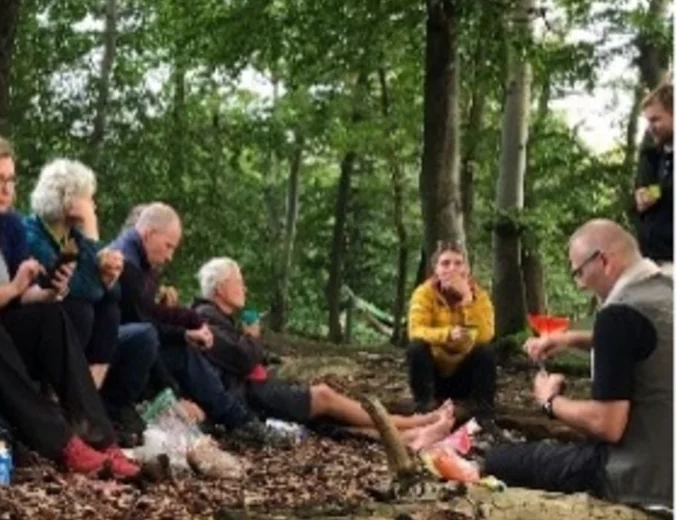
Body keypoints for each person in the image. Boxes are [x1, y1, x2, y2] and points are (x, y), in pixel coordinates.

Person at [0, 136, 140, 479]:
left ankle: (102, 439)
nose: (7, 189)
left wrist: (51, 290)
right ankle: (64, 445)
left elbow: (24, 295)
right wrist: (12, 288)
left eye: (12, 180)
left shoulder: (8, 225)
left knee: (50, 314)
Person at [485, 220, 672, 510]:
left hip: (643, 479)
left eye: (579, 272)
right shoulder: (664, 293)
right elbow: (643, 342)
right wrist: (572, 339)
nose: (580, 283)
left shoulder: (619, 314)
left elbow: (606, 424)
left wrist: (550, 401)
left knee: (498, 460)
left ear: (604, 261)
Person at [192, 257, 456, 451]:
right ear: (220, 289)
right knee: (324, 397)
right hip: (247, 397)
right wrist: (251, 335)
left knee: (326, 420)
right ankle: (413, 422)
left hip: (251, 392)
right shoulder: (206, 320)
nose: (245, 289)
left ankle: (412, 435)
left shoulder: (217, 319)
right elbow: (243, 359)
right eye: (239, 282)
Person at [110, 203, 278, 447]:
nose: (169, 256)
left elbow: (152, 319)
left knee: (184, 348)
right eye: (168, 246)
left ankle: (237, 420)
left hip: (134, 347)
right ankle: (239, 421)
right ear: (148, 232)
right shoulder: (129, 266)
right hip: (115, 355)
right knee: (180, 350)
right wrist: (172, 395)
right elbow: (146, 332)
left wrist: (185, 331)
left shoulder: (142, 266)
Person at [24, 158, 160, 442]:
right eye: (89, 199)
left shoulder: (71, 236)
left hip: (70, 330)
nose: (93, 206)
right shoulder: (32, 235)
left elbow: (112, 294)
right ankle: (69, 407)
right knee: (84, 309)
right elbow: (81, 289)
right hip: (38, 328)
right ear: (70, 201)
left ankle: (87, 408)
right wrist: (92, 227)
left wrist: (108, 276)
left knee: (111, 312)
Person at [405, 241, 497, 417]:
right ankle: (424, 406)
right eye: (445, 263)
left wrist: (467, 300)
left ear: (466, 270)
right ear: (436, 270)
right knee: (416, 348)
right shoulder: (424, 293)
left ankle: (483, 413)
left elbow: (486, 335)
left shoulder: (481, 297)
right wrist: (446, 334)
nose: (452, 269)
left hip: (465, 374)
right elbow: (415, 330)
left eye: (458, 263)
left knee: (486, 351)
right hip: (434, 374)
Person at [634, 78, 673, 267]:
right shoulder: (652, 157)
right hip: (651, 258)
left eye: (656, 119)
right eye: (648, 121)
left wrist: (656, 193)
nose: (651, 127)